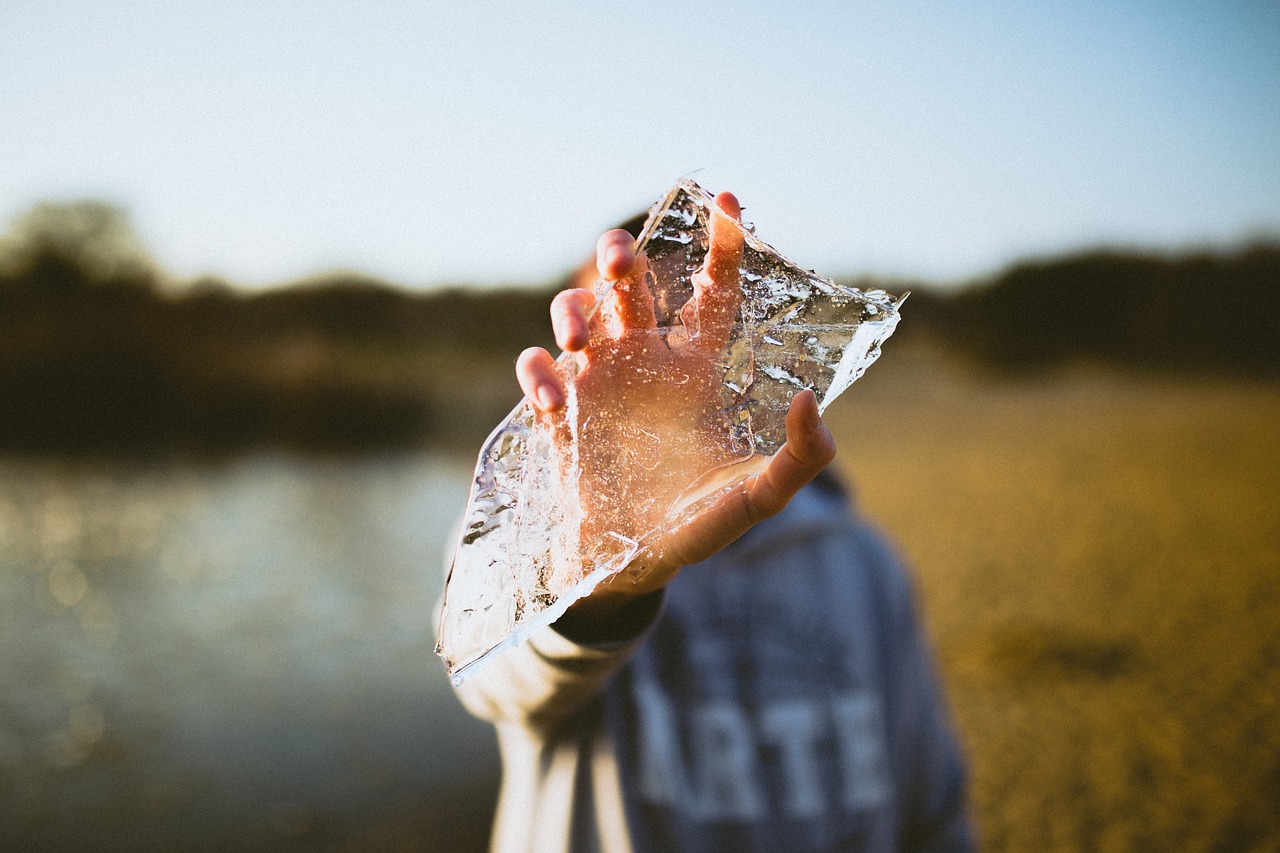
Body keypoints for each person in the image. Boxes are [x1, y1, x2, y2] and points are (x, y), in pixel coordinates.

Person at [451, 191, 973, 852]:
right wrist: (605, 576)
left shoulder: (863, 565)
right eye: (619, 336)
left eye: (687, 327)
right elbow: (493, 682)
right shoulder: (529, 538)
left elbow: (933, 812)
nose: (658, 363)